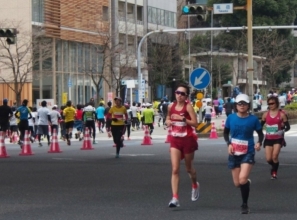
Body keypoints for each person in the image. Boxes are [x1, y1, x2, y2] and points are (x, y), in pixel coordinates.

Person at [223, 94, 264, 214]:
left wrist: (259, 143)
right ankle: (246, 182)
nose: (242, 106)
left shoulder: (253, 119)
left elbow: (260, 133)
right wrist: (228, 144)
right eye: (239, 104)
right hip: (234, 152)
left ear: (248, 106)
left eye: (244, 104)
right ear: (236, 105)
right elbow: (226, 133)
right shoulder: (231, 118)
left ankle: (244, 204)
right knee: (237, 183)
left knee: (242, 179)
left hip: (248, 151)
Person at [165, 83, 200, 208]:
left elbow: (196, 124)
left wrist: (183, 119)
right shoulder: (171, 106)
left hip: (188, 140)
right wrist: (168, 121)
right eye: (177, 92)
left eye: (182, 94)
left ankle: (195, 185)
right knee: (175, 169)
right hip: (175, 139)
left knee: (189, 168)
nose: (179, 95)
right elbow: (168, 117)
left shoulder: (188, 107)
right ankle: (175, 198)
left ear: (186, 96)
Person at [261, 96, 290, 179]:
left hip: (278, 138)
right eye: (269, 103)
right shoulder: (265, 115)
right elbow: (260, 126)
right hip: (268, 138)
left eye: (272, 103)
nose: (271, 105)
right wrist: (264, 128)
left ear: (277, 103)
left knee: (274, 156)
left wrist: (282, 129)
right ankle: (274, 166)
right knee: (268, 159)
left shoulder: (281, 114)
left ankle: (274, 172)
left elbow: (288, 127)